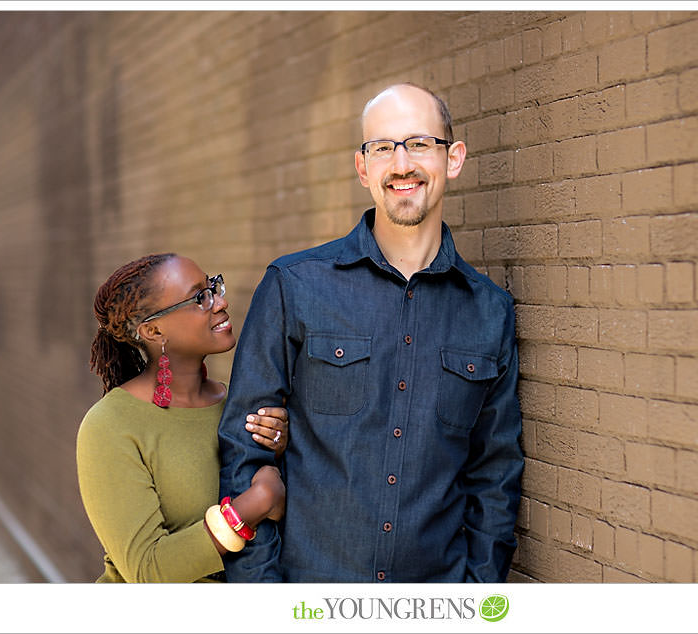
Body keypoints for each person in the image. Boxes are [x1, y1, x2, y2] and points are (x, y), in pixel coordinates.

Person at [218, 83, 523, 583]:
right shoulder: (294, 286)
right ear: (363, 168)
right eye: (383, 148)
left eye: (420, 143)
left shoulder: (489, 312)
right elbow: (242, 453)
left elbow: (495, 474)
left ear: (454, 159)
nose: (401, 164)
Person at [76, 253, 288, 582]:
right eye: (200, 297)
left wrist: (280, 449)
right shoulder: (111, 426)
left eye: (213, 287)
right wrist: (255, 503)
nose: (220, 302)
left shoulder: (237, 403)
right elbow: (147, 570)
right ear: (154, 331)